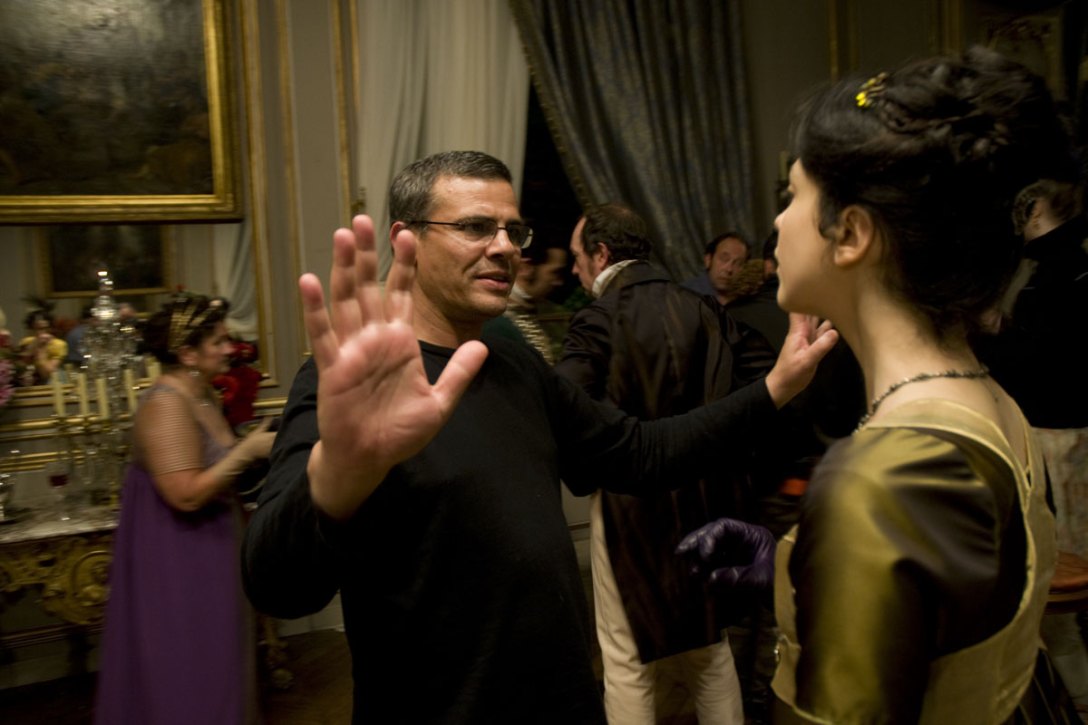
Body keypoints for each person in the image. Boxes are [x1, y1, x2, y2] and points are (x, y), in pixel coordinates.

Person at [240, 150, 838, 723]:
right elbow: (277, 585)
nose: (505, 247)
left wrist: (776, 387)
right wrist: (342, 476)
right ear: (407, 241)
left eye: (513, 231)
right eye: (476, 227)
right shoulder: (349, 384)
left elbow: (640, 452)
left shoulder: (514, 363)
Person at [680, 48, 1077, 722]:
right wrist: (791, 560)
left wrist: (848, 527)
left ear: (852, 233)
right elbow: (948, 610)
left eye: (793, 196)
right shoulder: (987, 398)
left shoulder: (888, 473)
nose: (777, 222)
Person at [557, 202, 761, 723]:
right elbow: (759, 379)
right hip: (704, 498)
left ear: (602, 254)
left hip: (628, 504)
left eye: (578, 257)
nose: (575, 270)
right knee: (709, 648)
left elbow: (567, 413)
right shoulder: (702, 307)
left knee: (627, 659)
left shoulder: (597, 319)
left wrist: (590, 468)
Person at [94, 295, 275, 725]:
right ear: (187, 353)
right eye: (219, 341)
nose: (230, 349)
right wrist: (247, 451)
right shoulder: (166, 405)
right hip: (178, 557)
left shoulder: (202, 396)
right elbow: (185, 495)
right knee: (190, 669)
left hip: (214, 545)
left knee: (222, 663)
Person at [483, 241, 569, 362]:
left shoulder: (549, 313)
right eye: (555, 272)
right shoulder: (494, 324)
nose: (558, 282)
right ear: (526, 268)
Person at [683, 232, 752, 307]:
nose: (729, 269)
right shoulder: (684, 296)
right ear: (708, 260)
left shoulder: (748, 301)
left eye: (738, 264)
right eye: (724, 259)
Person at [18, 309, 67, 384]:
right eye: (37, 329)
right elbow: (22, 366)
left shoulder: (58, 345)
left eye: (45, 328)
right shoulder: (26, 342)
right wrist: (34, 345)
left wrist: (41, 349)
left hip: (52, 382)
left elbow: (46, 374)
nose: (41, 332)